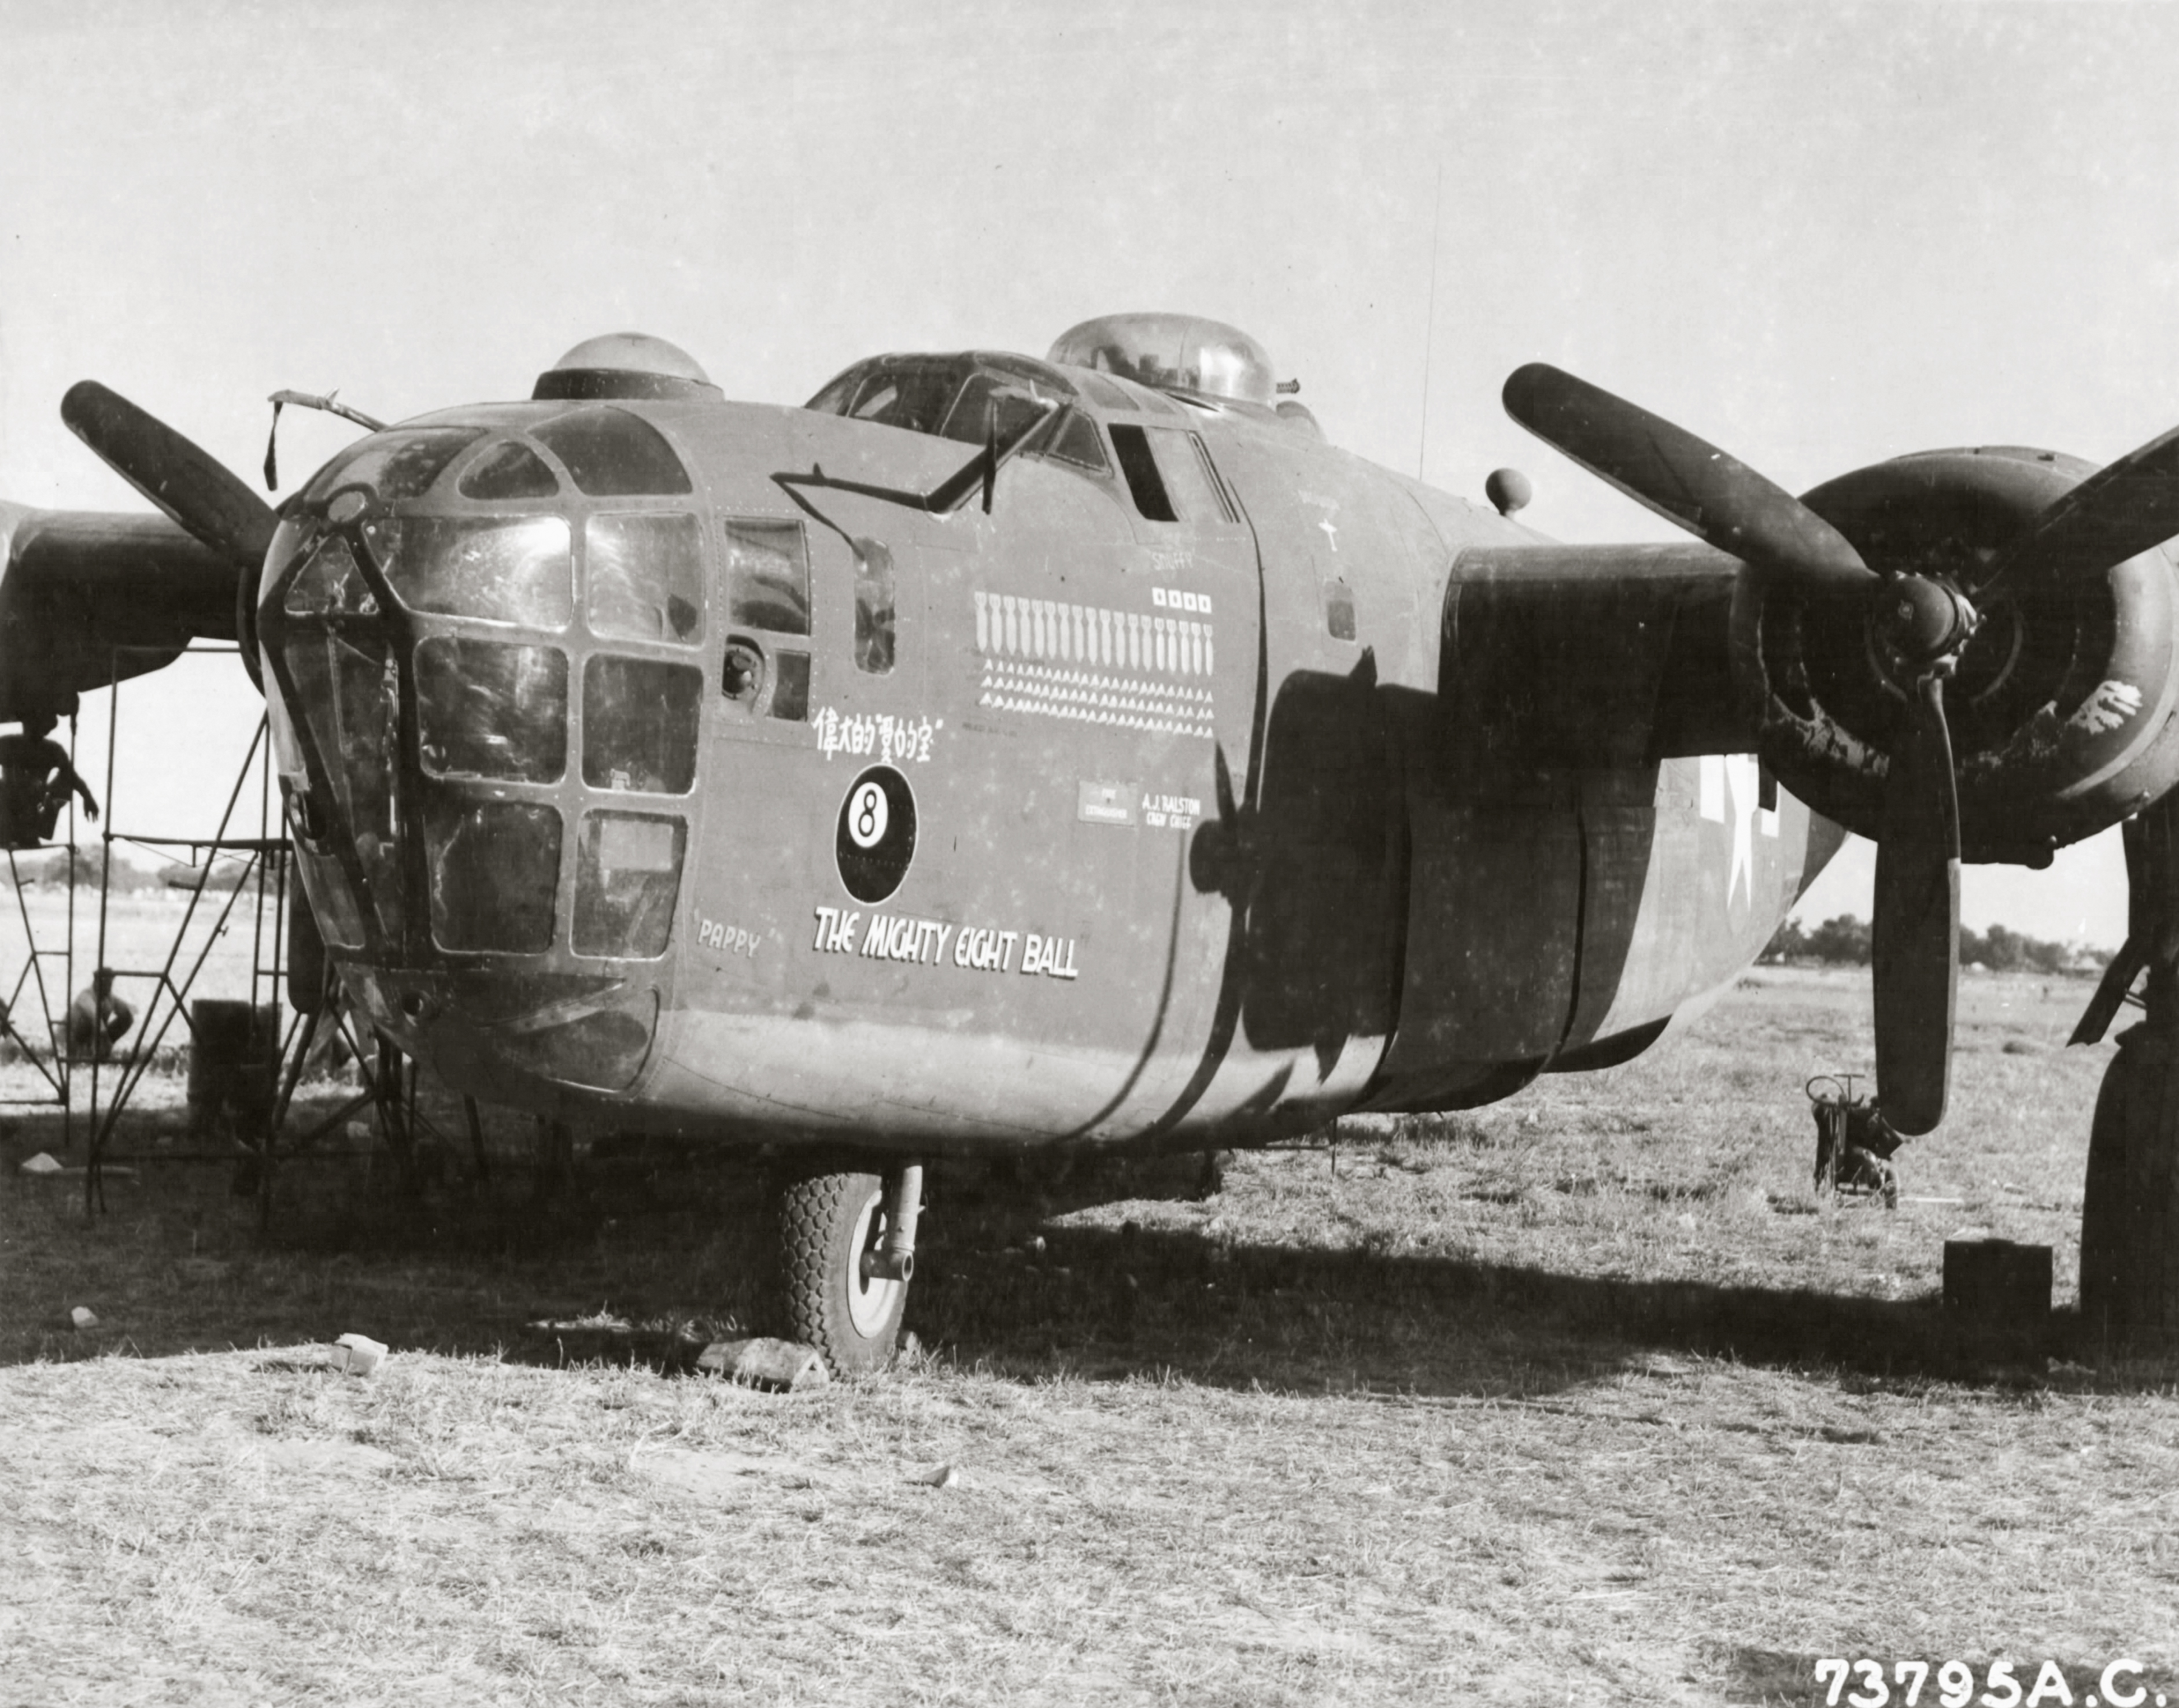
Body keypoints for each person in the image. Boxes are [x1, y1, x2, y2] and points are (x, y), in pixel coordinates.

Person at [0, 713, 97, 846]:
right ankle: (13, 832)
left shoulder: (52, 749)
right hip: (8, 804)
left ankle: (33, 831)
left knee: (65, 779)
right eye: (29, 724)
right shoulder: (8, 743)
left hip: (33, 804)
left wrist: (88, 798)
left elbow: (71, 776)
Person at [66, 967, 133, 1063]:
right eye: (107, 984)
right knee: (91, 1023)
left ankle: (99, 1052)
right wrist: (107, 1043)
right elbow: (96, 1019)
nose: (109, 988)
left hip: (93, 1034)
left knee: (127, 1018)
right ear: (97, 983)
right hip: (69, 1039)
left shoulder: (109, 998)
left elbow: (127, 1012)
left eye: (110, 984)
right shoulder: (85, 998)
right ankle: (86, 1053)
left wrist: (128, 1012)